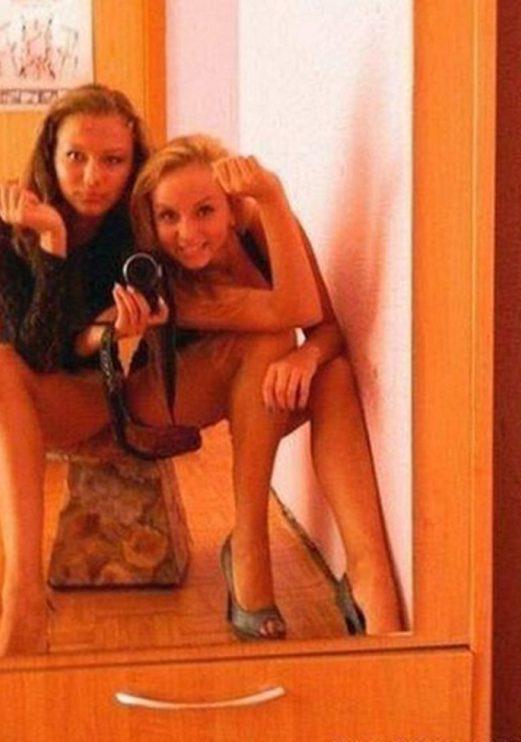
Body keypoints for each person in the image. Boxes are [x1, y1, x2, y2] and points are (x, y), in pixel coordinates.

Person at [0, 86, 321, 655]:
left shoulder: (141, 226)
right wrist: (53, 242)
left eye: (113, 160)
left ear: (133, 161)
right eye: (76, 156)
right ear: (49, 152)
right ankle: (23, 591)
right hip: (50, 387)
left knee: (277, 342)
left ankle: (251, 549)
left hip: (121, 388)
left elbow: (282, 312)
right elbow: (30, 349)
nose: (93, 177)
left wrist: (120, 333)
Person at [129, 134, 404, 635]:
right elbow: (290, 312)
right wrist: (274, 195)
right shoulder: (170, 282)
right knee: (271, 338)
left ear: (233, 208)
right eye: (168, 216)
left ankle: (369, 569)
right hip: (168, 397)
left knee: (334, 375)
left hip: (253, 391)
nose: (187, 233)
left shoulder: (264, 226)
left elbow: (326, 328)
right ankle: (249, 544)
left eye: (205, 210)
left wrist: (307, 355)